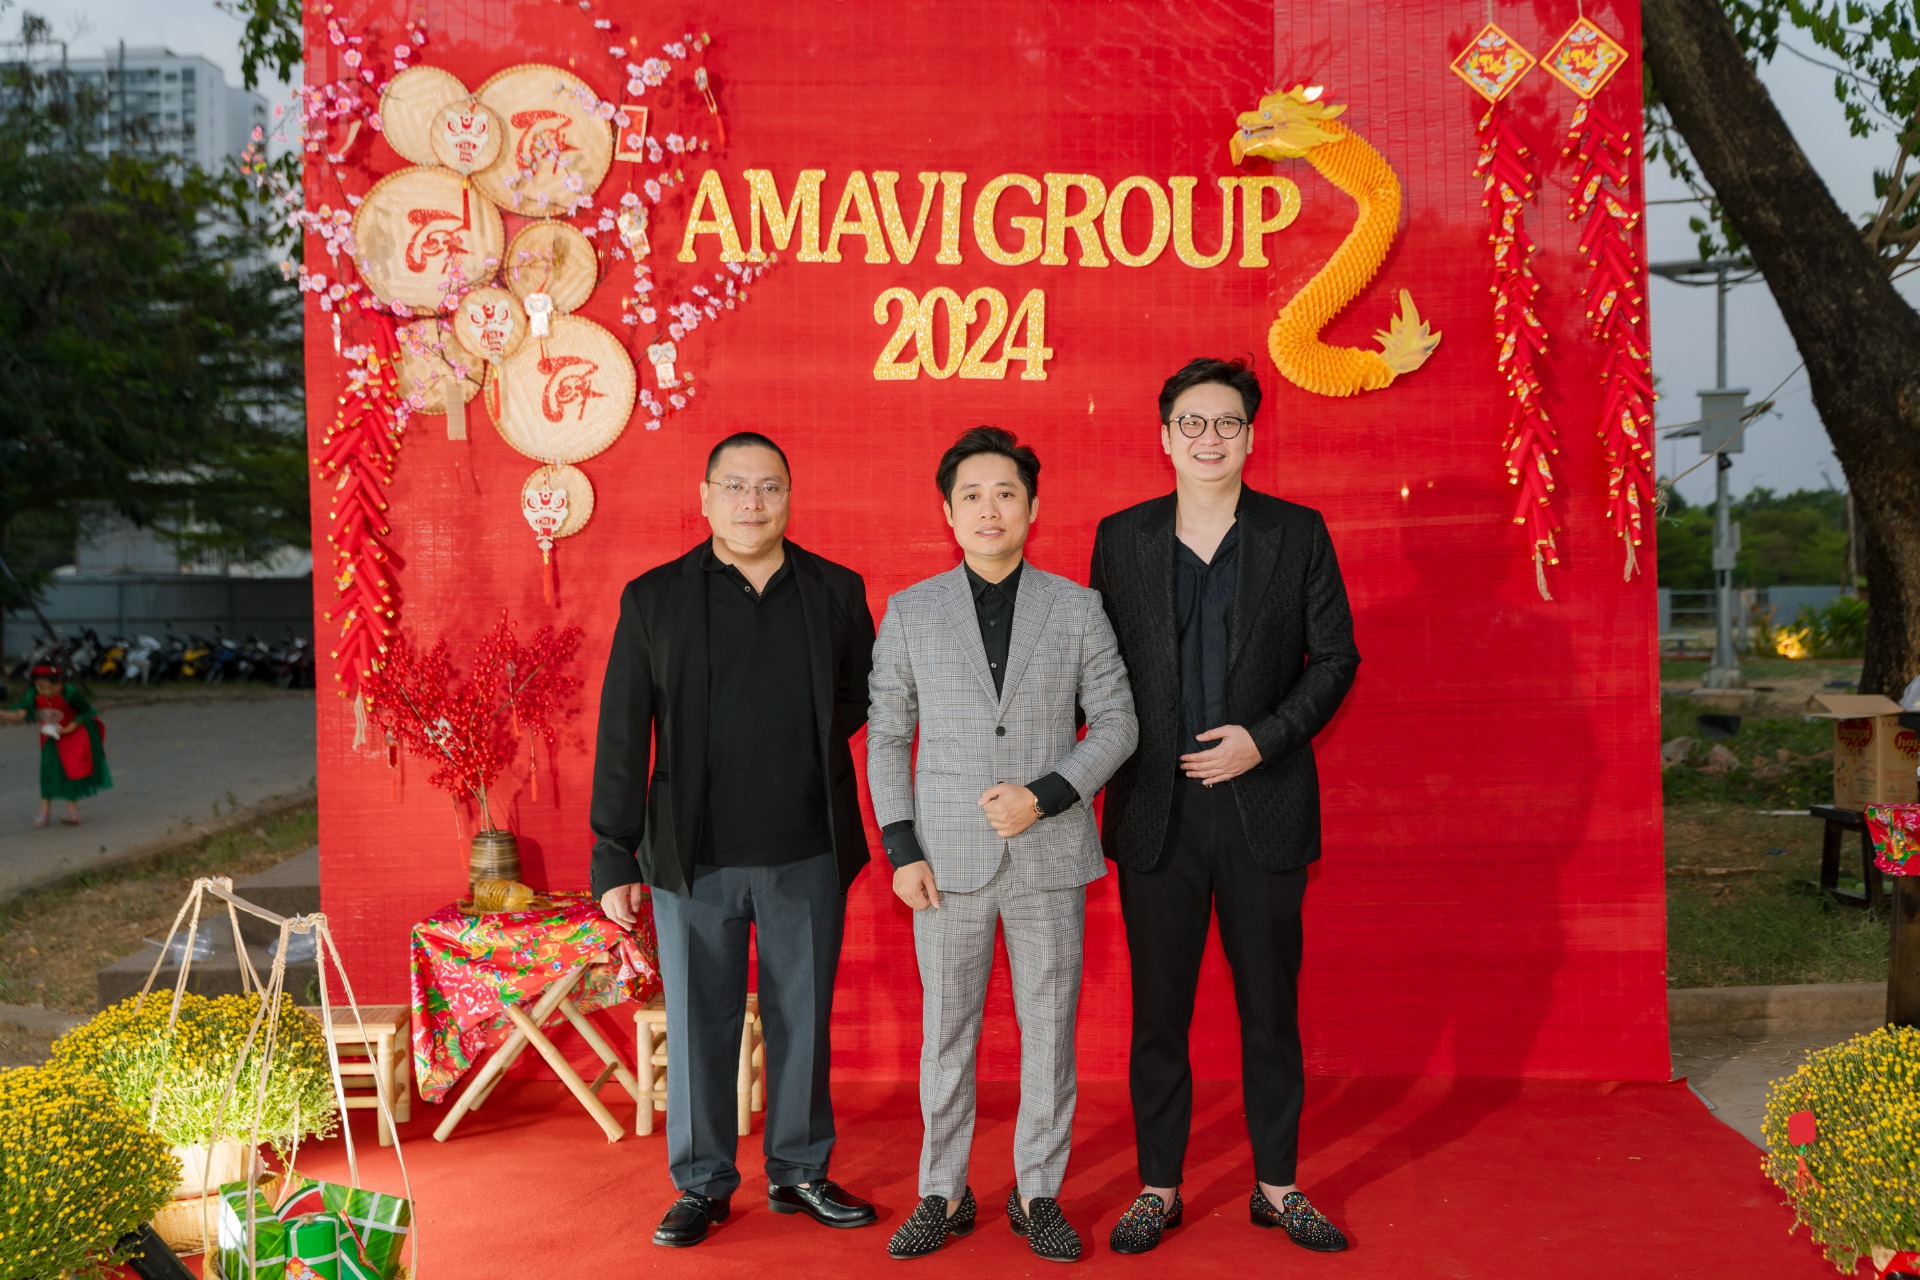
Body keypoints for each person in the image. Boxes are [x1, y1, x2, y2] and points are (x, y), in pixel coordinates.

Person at [1089, 357, 1360, 1255]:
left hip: (1262, 802)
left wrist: (1264, 738)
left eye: (1227, 423)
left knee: (1270, 1010)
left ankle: (1278, 1187)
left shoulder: (1297, 532)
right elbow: (1100, 671)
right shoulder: (1121, 538)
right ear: (1165, 437)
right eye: (1192, 424)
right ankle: (1159, 1188)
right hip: (1155, 809)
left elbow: (1335, 658)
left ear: (1251, 435)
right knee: (1158, 1014)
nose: (1210, 438)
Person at [588, 432, 879, 1247]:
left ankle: (800, 1171)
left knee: (803, 1019)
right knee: (698, 1022)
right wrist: (613, 850)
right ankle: (702, 1184)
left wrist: (793, 746)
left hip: (807, 847)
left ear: (790, 495)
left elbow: (861, 694)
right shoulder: (655, 598)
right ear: (706, 496)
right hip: (693, 856)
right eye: (737, 486)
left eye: (770, 487)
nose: (754, 502)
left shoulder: (834, 590)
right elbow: (624, 731)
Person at [868, 427, 1137, 1264]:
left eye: (1007, 494)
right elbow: (887, 736)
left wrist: (1045, 795)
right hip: (943, 863)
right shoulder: (911, 610)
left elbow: (1118, 723)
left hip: (1048, 855)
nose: (991, 510)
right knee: (946, 1033)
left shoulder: (1077, 607)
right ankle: (942, 1193)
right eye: (973, 496)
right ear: (948, 513)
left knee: (1049, 1030)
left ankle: (1038, 1192)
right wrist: (902, 849)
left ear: (1033, 507)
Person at [2, 663, 112, 827]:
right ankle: (44, 811)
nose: (46, 692)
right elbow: (20, 715)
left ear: (60, 682)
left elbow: (87, 712)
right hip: (50, 735)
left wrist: (68, 728)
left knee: (72, 769)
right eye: (41, 688)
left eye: (51, 688)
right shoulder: (33, 694)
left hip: (73, 733)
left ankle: (72, 811)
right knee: (48, 769)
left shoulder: (70, 693)